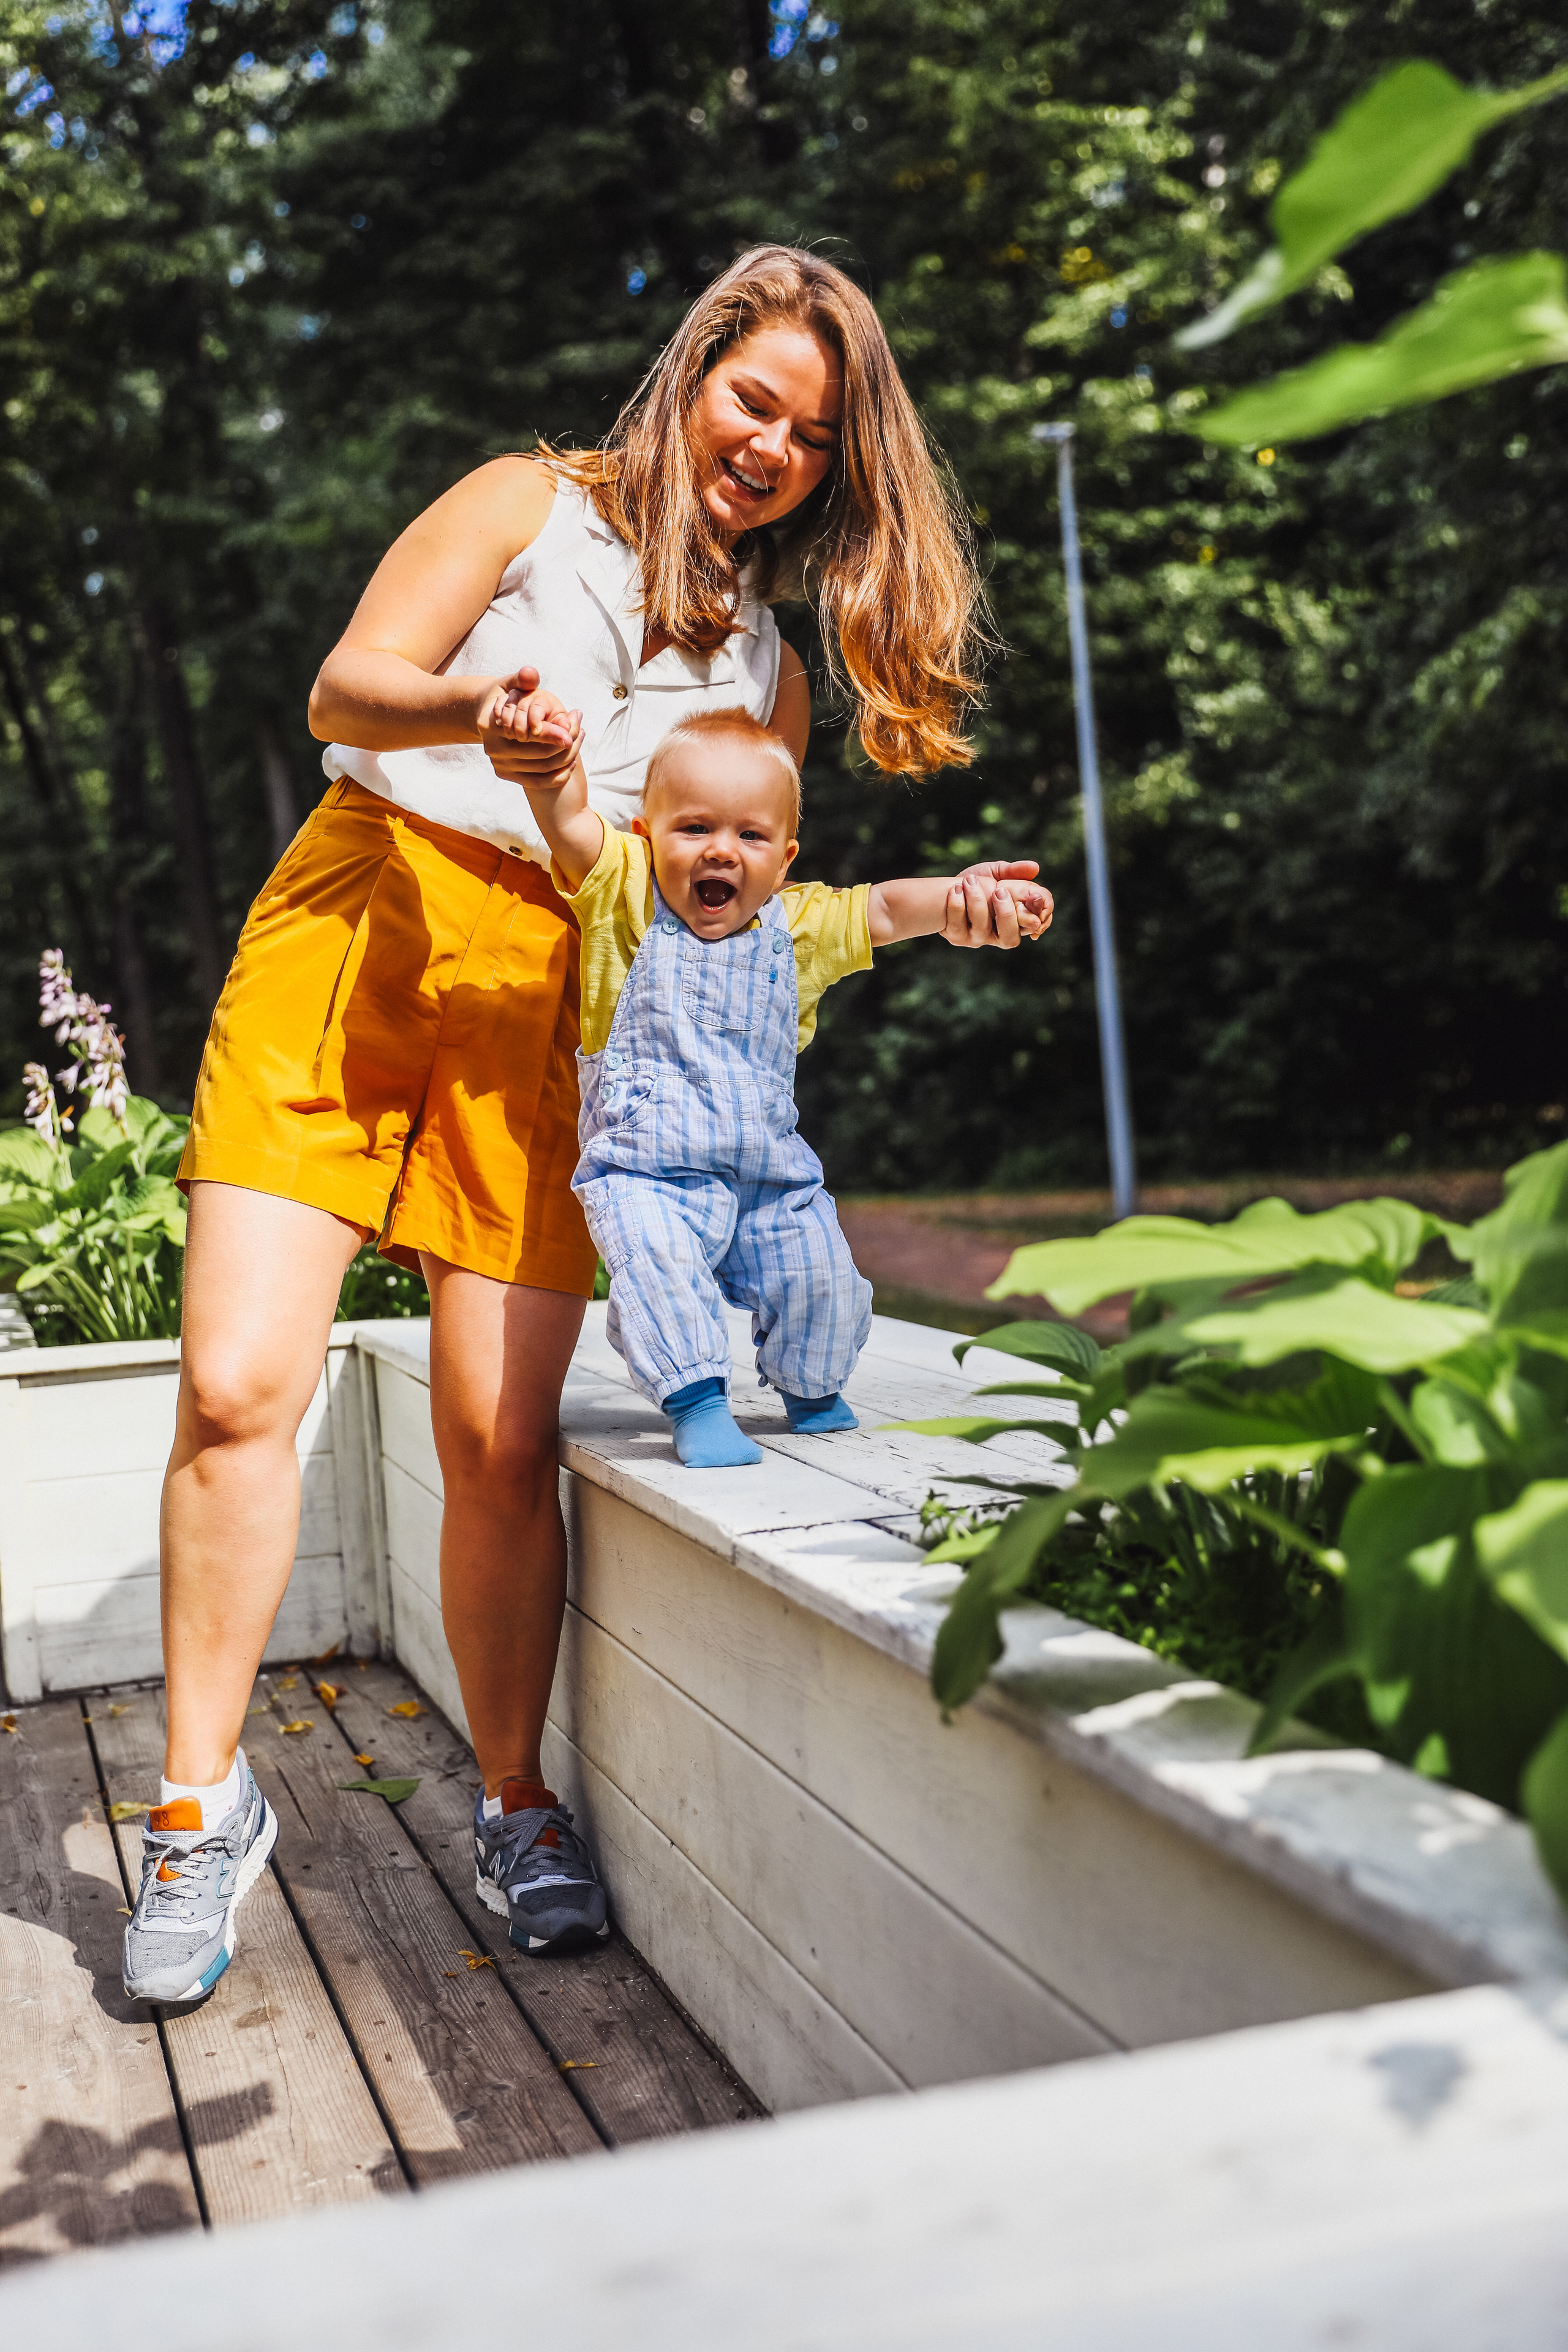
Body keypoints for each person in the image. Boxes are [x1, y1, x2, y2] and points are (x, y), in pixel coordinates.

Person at [123, 244, 1046, 1999]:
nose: (768, 444)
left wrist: (924, 911)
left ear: (837, 470)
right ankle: (195, 1811)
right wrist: (480, 707)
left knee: (494, 1436)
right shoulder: (524, 504)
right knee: (240, 1383)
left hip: (563, 1009)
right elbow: (343, 689)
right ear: (695, 374)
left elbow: (737, 913)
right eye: (751, 396)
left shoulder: (766, 675)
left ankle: (514, 1797)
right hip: (367, 922)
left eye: (811, 434)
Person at [517, 703, 1052, 1468]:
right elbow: (568, 824)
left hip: (769, 1172)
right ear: (645, 835)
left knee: (820, 1279)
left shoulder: (798, 927)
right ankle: (697, 1401)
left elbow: (891, 908)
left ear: (784, 858)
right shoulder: (623, 894)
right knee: (658, 1270)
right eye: (693, 829)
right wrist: (552, 766)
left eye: (750, 836)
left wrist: (965, 893)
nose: (721, 852)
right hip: (646, 1172)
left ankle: (811, 1388)